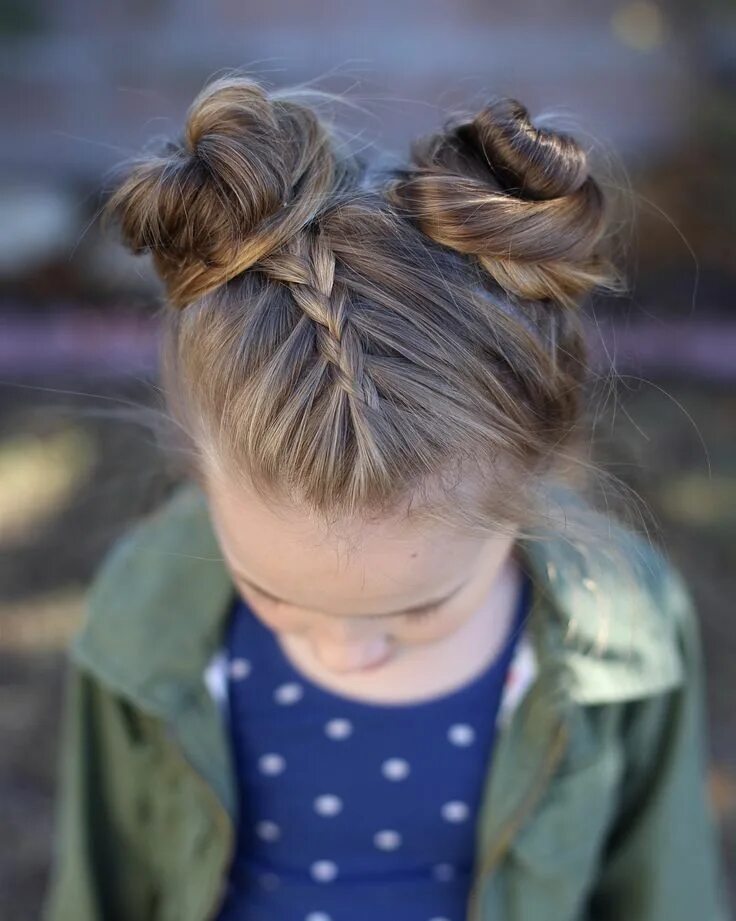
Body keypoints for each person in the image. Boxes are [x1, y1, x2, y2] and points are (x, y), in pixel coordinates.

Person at [44, 74, 730, 921]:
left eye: (417, 609)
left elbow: (667, 890)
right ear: (197, 468)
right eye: (276, 596)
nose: (345, 652)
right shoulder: (143, 614)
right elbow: (99, 886)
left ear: (535, 475)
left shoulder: (624, 636)